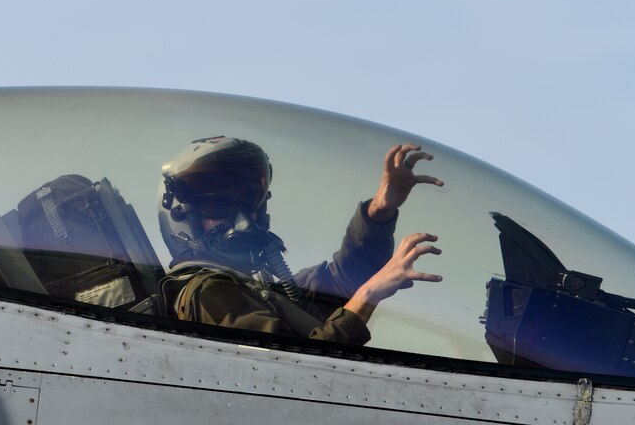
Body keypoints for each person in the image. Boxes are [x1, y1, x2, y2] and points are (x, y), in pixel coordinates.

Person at [157, 136, 443, 347]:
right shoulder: (207, 291)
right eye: (216, 208)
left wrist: (379, 211)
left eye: (249, 205)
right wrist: (367, 298)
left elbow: (342, 281)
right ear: (182, 218)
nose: (244, 221)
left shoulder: (262, 292)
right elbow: (292, 370)